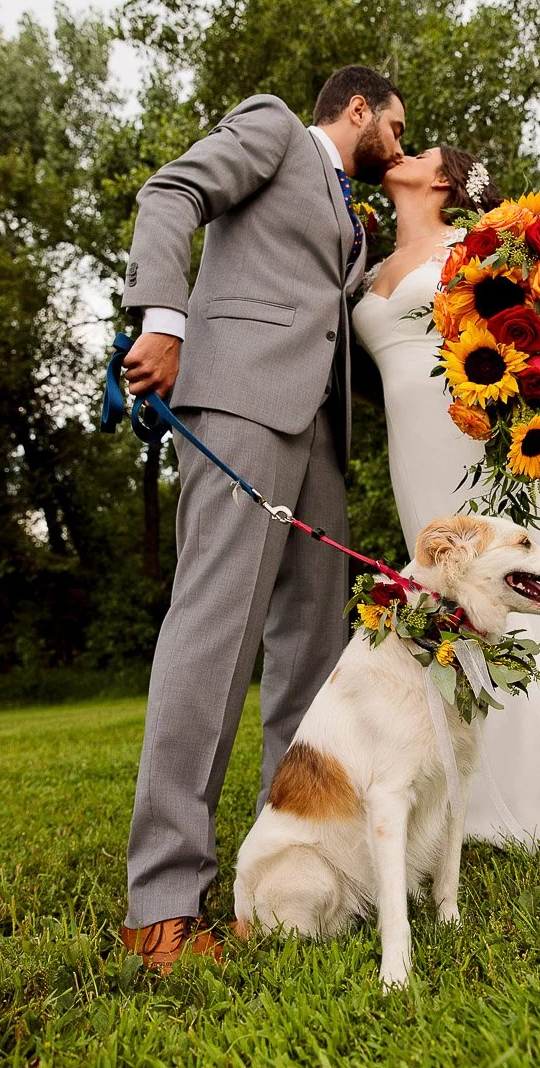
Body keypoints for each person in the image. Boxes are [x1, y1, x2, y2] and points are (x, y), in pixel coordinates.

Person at [119, 66, 405, 970]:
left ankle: (285, 876)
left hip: (319, 441)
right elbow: (172, 191)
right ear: (356, 108)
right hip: (240, 412)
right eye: (395, 123)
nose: (399, 140)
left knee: (313, 672)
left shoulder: (357, 222)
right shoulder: (276, 129)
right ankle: (161, 908)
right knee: (213, 640)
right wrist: (163, 318)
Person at [352, 146, 540, 851]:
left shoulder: (478, 247)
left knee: (524, 587)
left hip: (476, 437)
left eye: (419, 147)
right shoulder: (363, 270)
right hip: (413, 455)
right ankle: (486, 797)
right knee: (452, 602)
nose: (402, 147)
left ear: (441, 180)